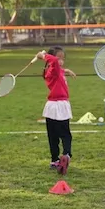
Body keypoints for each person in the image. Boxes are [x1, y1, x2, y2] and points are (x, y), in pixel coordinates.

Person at [36, 47, 76, 175]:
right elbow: (53, 62)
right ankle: (66, 154)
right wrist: (42, 56)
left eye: (63, 58)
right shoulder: (53, 67)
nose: (61, 61)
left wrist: (66, 70)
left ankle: (54, 160)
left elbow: (57, 69)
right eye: (59, 58)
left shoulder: (53, 71)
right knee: (65, 134)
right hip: (60, 106)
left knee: (52, 136)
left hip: (51, 107)